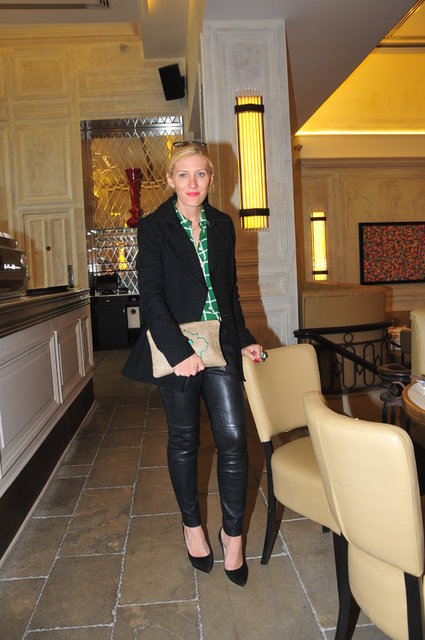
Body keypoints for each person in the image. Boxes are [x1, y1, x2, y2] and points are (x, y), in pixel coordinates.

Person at [123, 141, 263, 587]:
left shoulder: (223, 224)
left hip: (220, 343)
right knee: (184, 440)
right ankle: (192, 527)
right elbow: (151, 296)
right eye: (183, 175)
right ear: (170, 180)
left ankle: (233, 535)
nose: (192, 183)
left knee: (234, 439)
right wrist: (179, 352)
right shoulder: (154, 226)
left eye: (200, 173)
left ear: (211, 178)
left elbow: (229, 292)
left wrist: (244, 339)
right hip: (177, 347)